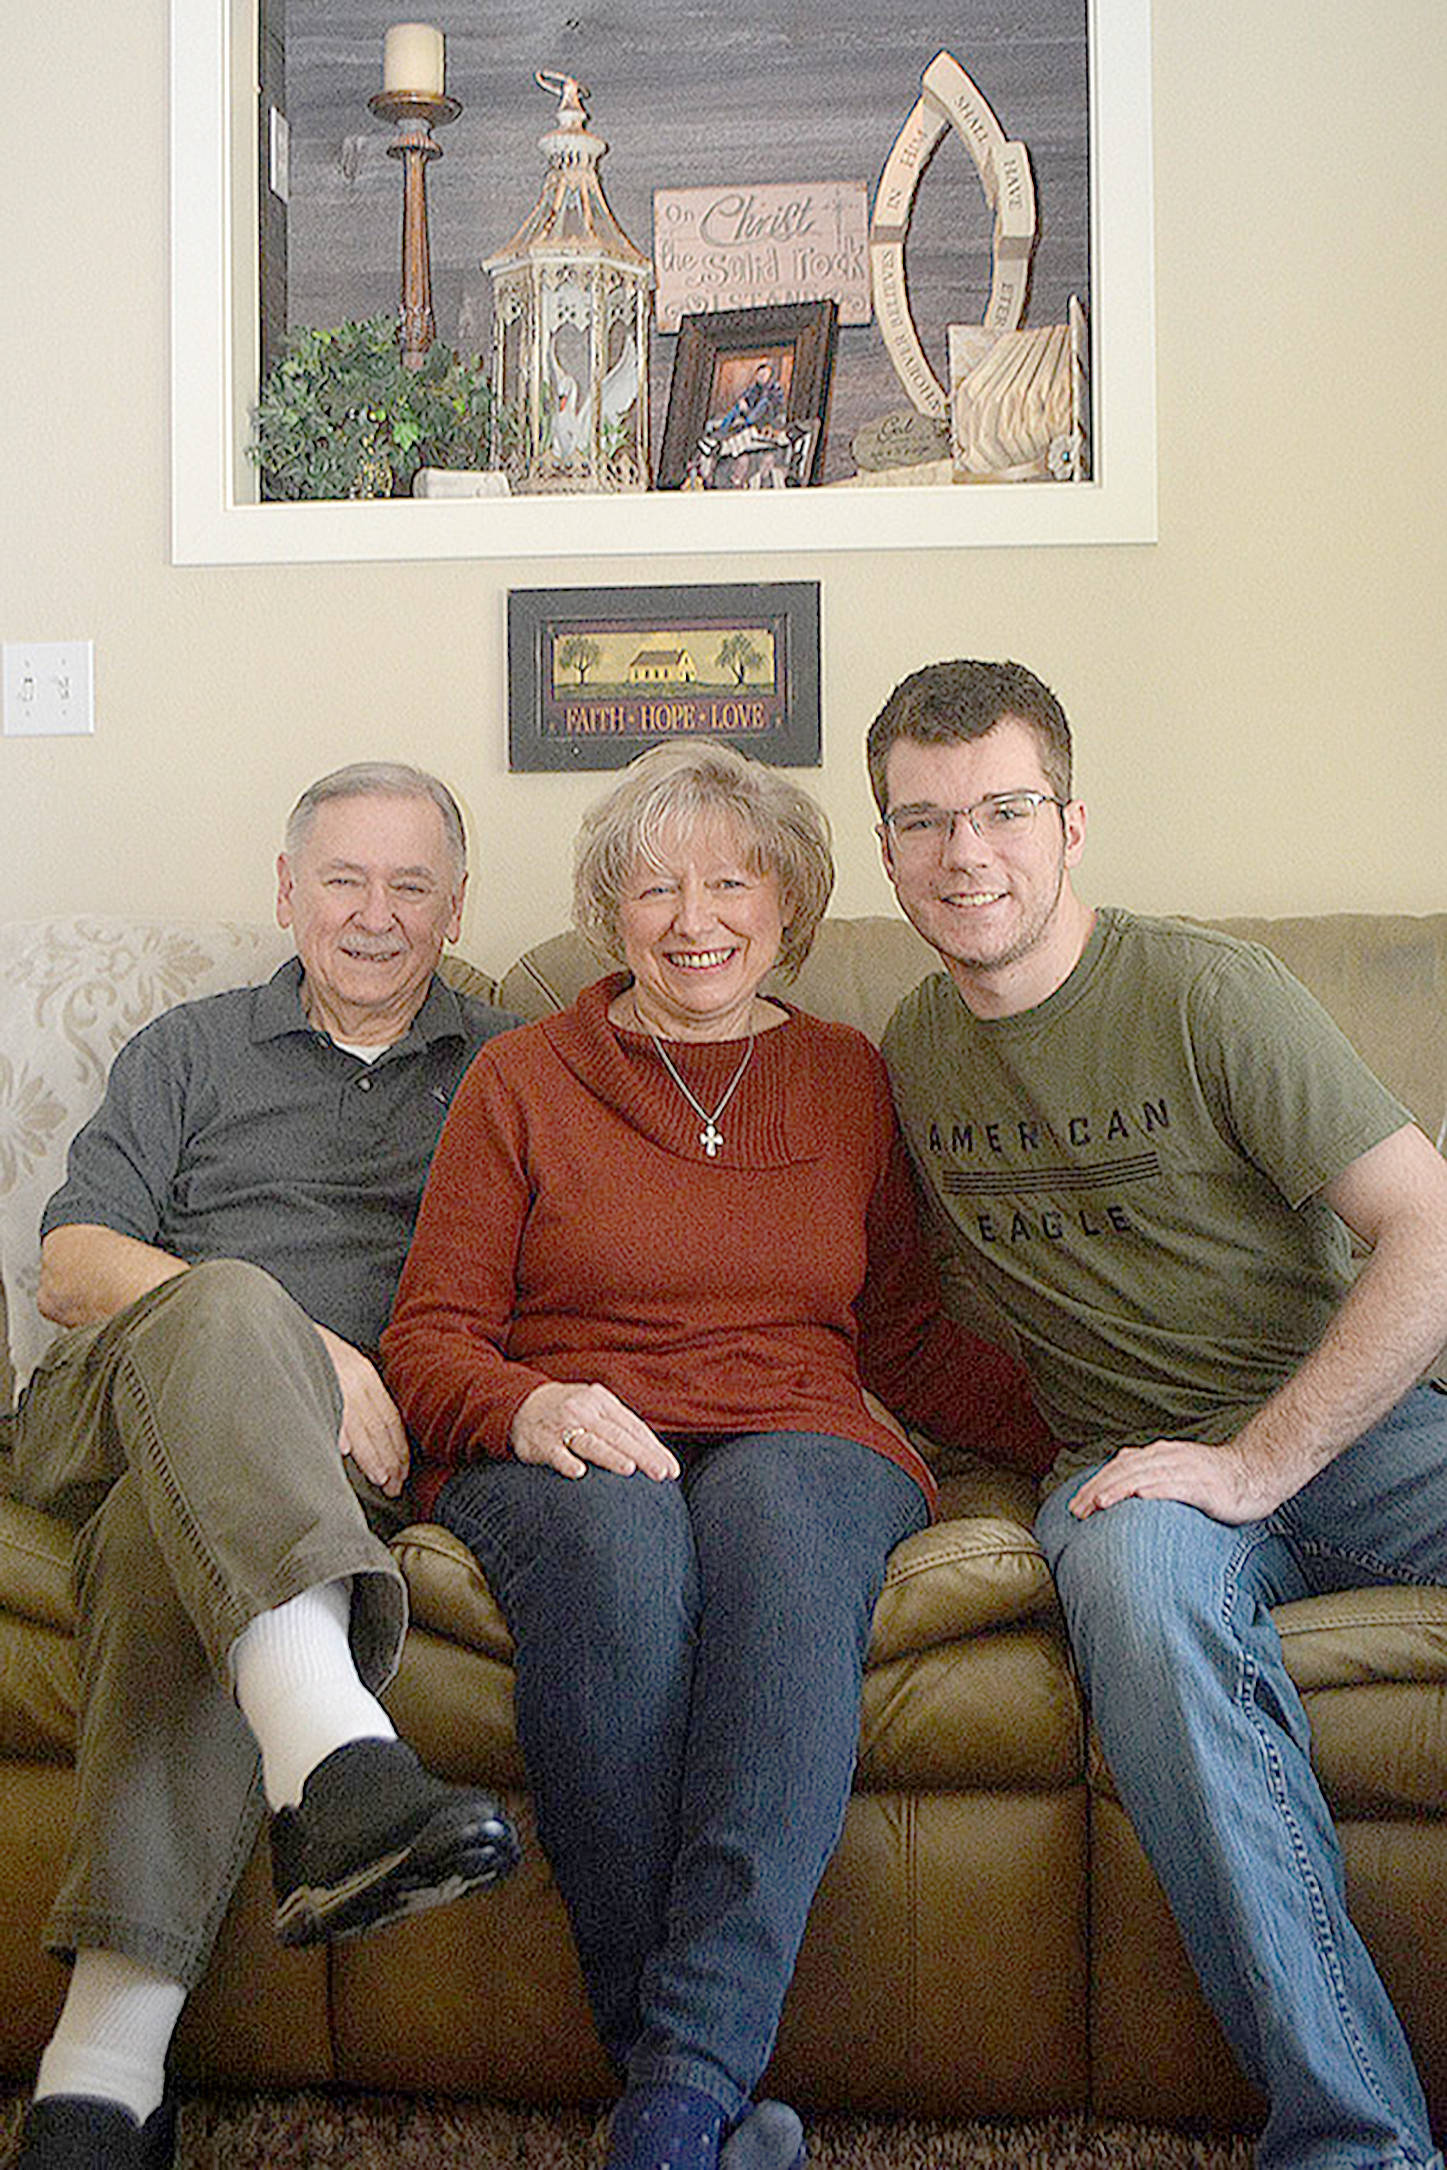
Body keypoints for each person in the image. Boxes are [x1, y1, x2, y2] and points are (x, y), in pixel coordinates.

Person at [380, 740, 1051, 2170]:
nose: (695, 916)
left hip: (802, 1420)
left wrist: (1102, 1421)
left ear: (789, 904)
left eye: (731, 879)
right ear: (606, 911)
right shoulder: (521, 1079)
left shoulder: (845, 1075)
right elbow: (430, 1342)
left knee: (788, 1539)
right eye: (654, 886)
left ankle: (672, 2097)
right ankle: (683, 2084)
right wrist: (529, 1408)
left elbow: (905, 1338)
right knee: (623, 1558)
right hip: (572, 1430)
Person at [867, 658, 1447, 2170]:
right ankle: (1357, 2143)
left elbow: (1431, 1231)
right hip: (1135, 1480)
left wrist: (1265, 1458)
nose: (965, 853)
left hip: (1363, 1434)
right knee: (1133, 1580)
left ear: (1071, 823)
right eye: (923, 821)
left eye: (1002, 808)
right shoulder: (908, 1060)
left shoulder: (1206, 989)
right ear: (883, 852)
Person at [1, 763, 523, 2170]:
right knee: (228, 1297)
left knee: (156, 1556)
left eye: (410, 885)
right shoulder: (191, 1048)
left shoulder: (513, 1064)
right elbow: (70, 1264)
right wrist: (301, 1341)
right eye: (341, 879)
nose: (373, 913)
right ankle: (339, 1760)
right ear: (284, 889)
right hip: (115, 1400)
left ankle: (100, 2076)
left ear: (455, 905)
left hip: (309, 1483)